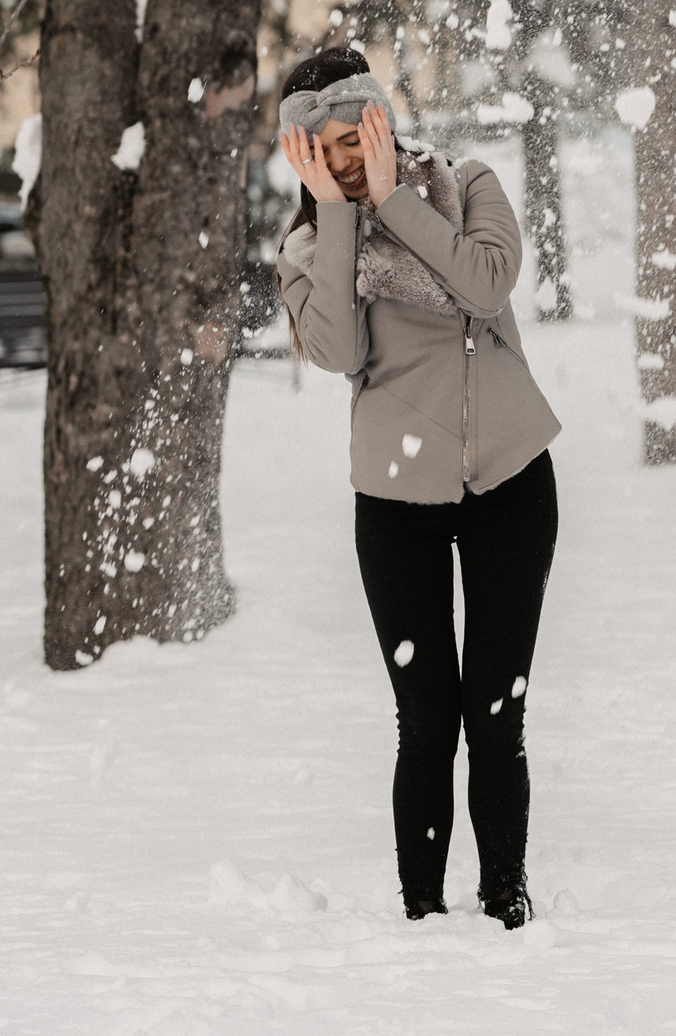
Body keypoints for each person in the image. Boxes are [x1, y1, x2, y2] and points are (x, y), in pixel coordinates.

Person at [273, 48, 562, 927]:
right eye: (325, 145)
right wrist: (338, 221)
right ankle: (423, 911)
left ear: (384, 120)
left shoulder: (467, 186)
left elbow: (482, 284)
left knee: (496, 710)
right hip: (396, 505)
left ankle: (505, 898)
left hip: (510, 485)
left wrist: (395, 200)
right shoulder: (310, 247)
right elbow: (338, 352)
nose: (349, 157)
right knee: (427, 716)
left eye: (357, 133)